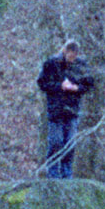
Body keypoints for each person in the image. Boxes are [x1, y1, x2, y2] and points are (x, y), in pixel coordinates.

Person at [36, 39, 96, 178]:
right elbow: (42, 83)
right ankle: (52, 173)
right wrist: (59, 86)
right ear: (65, 51)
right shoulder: (51, 64)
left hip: (73, 109)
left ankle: (66, 173)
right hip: (56, 109)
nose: (72, 59)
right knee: (56, 141)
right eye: (70, 56)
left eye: (74, 56)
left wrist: (77, 88)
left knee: (70, 143)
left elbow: (89, 84)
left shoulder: (81, 65)